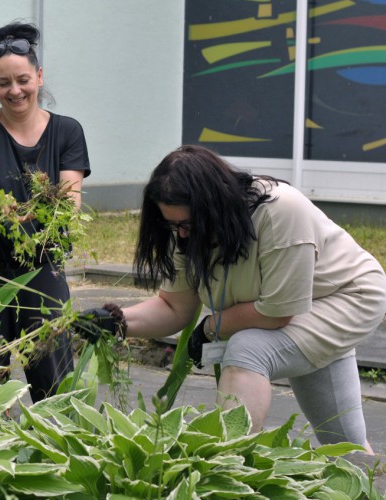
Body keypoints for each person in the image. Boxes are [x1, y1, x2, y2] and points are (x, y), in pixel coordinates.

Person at [74, 144, 386, 452]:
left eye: (186, 224)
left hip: (347, 298)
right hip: (293, 306)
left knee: (247, 349)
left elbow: (275, 315)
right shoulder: (184, 229)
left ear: (214, 205)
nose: (180, 235)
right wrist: (115, 321)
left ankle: (229, 466)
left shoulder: (280, 211)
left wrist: (211, 328)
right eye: (173, 225)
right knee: (345, 445)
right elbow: (175, 307)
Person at [0, 22, 91, 402]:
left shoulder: (67, 132)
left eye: (23, 79)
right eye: (3, 83)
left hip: (44, 263)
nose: (15, 91)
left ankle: (54, 443)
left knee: (52, 375)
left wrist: (46, 208)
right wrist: (2, 204)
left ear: (39, 77)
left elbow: (70, 199)